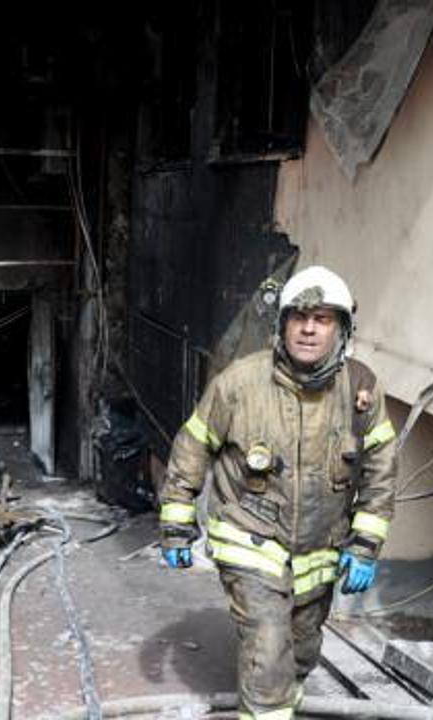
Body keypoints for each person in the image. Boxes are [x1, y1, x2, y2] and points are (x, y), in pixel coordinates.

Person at [158, 265, 397, 719]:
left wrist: (366, 543)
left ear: (343, 330)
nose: (308, 329)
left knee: (301, 651)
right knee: (268, 650)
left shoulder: (361, 388)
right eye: (298, 317)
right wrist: (176, 520)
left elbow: (381, 465)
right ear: (281, 324)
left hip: (319, 549)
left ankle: (283, 704)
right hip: (249, 540)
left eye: (323, 319)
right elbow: (192, 445)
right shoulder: (240, 383)